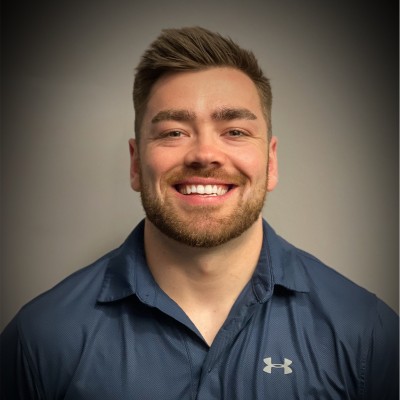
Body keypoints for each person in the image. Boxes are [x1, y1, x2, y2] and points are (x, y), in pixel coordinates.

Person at [1, 27, 398, 400]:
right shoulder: (41, 339)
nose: (205, 154)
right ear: (136, 164)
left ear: (271, 161)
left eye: (235, 132)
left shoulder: (367, 333)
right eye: (174, 132)